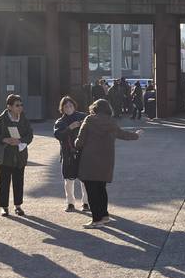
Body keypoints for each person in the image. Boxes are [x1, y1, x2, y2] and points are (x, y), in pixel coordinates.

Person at [75, 98, 141, 228]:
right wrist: (136, 135)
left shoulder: (89, 120)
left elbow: (80, 142)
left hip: (90, 162)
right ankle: (104, 216)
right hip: (106, 162)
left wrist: (75, 142)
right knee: (101, 189)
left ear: (94, 108)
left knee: (92, 192)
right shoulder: (111, 122)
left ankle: (96, 220)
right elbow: (123, 134)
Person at [0, 94, 34, 217]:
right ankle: (4, 207)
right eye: (17, 105)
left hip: (20, 155)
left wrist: (20, 141)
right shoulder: (0, 119)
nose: (20, 107)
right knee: (4, 181)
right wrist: (5, 139)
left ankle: (18, 206)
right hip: (5, 156)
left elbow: (30, 135)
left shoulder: (24, 119)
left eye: (21, 105)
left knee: (19, 181)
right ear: (9, 107)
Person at [53, 96, 89, 213]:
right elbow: (59, 135)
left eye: (70, 106)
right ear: (62, 109)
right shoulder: (60, 122)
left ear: (74, 106)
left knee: (84, 179)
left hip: (82, 152)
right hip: (67, 153)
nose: (68, 108)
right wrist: (70, 128)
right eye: (66, 106)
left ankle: (86, 202)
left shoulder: (83, 117)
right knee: (69, 180)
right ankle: (70, 203)